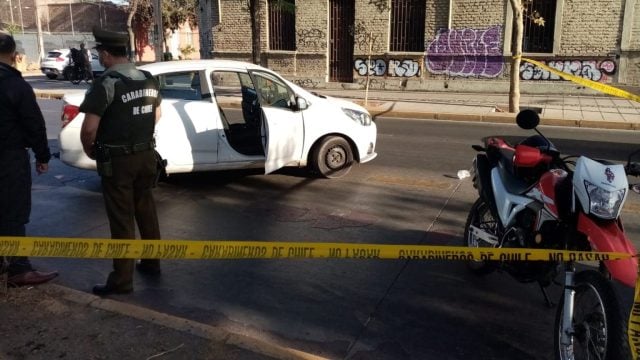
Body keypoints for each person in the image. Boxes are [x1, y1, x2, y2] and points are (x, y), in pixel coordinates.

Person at [79, 27, 163, 296]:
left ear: (105, 54)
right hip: (147, 156)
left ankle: (122, 280)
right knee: (146, 211)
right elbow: (157, 115)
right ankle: (151, 262)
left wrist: (91, 150)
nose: (99, 59)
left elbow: (89, 129)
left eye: (99, 54)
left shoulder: (107, 82)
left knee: (121, 220)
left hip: (119, 162)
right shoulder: (148, 79)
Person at [0, 32, 58, 287]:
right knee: (14, 211)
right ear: (14, 55)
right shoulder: (15, 85)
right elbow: (34, 124)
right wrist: (42, 155)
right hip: (9, 158)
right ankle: (19, 268)